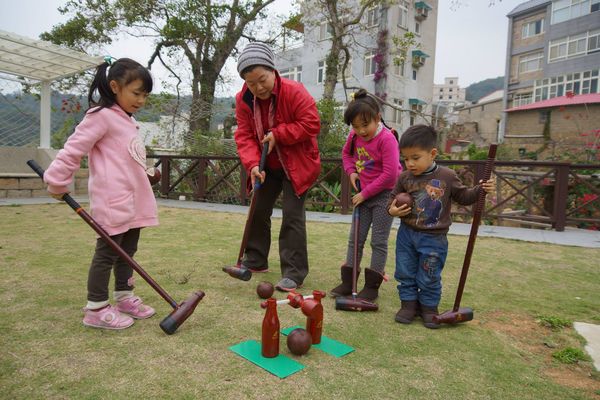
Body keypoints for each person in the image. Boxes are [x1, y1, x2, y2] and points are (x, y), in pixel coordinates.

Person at [43, 57, 158, 330]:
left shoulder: (127, 121)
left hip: (134, 201)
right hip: (113, 201)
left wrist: (148, 172)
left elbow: (126, 159)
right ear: (115, 86)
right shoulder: (101, 116)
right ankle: (96, 307)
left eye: (145, 95)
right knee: (107, 253)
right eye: (136, 93)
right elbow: (73, 149)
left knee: (128, 251)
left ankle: (124, 296)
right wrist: (58, 182)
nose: (141, 100)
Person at [388, 124, 495, 329]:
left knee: (429, 273)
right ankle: (409, 305)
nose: (409, 163)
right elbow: (392, 200)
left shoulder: (447, 176)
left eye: (415, 157)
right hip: (406, 234)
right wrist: (391, 210)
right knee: (404, 271)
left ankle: (429, 308)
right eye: (405, 158)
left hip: (434, 238)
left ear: (432, 153)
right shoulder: (404, 177)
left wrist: (481, 189)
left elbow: (464, 197)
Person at [233, 42, 321, 292]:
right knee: (258, 209)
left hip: (298, 163)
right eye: (252, 83)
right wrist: (252, 164)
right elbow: (244, 135)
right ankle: (256, 259)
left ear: (273, 71)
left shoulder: (294, 91)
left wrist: (278, 134)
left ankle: (293, 273)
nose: (258, 88)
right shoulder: (243, 100)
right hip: (265, 163)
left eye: (262, 79)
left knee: (292, 215)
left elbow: (312, 124)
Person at [330, 89, 401, 301]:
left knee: (378, 241)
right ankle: (348, 282)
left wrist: (365, 193)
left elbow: (390, 175)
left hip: (384, 196)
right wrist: (351, 172)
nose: (360, 131)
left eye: (365, 125)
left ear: (377, 118)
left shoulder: (387, 139)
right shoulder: (354, 136)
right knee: (355, 241)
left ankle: (371, 287)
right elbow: (346, 154)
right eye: (355, 126)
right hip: (363, 193)